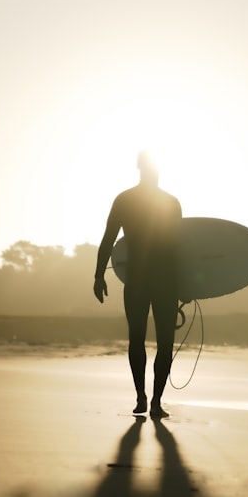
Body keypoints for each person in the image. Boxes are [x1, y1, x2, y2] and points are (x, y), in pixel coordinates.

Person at [94, 151, 182, 418]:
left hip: (139, 279)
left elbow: (109, 239)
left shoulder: (126, 200)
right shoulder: (169, 202)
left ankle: (145, 399)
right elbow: (178, 249)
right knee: (159, 341)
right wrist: (98, 275)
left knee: (138, 340)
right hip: (163, 281)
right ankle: (152, 401)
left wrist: (99, 275)